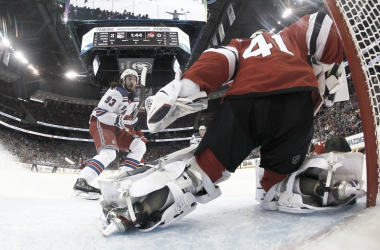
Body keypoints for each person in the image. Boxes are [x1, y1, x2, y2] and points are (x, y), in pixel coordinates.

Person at [96, 11, 354, 235]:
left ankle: (138, 208)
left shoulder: (240, 46)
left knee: (199, 174)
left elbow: (216, 61)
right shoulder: (291, 35)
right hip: (297, 103)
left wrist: (181, 89)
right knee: (273, 189)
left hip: (244, 105)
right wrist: (329, 72)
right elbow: (323, 25)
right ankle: (324, 184)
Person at [73, 69, 147, 199]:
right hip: (101, 123)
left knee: (139, 146)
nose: (132, 81)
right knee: (109, 153)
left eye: (135, 79)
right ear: (123, 80)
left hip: (115, 127)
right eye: (129, 78)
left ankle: (122, 181)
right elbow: (102, 113)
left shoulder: (133, 98)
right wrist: (123, 120)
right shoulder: (116, 92)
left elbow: (124, 119)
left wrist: (130, 121)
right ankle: (82, 182)